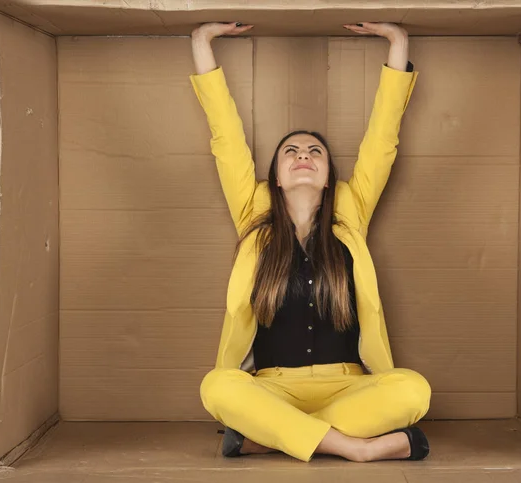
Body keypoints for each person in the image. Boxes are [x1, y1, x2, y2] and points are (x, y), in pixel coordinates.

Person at [189, 21, 431, 463]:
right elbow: (225, 137)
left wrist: (398, 44)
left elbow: (382, 141)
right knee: (216, 386)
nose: (303, 156)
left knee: (413, 389)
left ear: (328, 178)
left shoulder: (350, 213)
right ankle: (355, 449)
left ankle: (270, 438)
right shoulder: (253, 215)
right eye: (291, 152)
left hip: (348, 385)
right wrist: (200, 44)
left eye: (315, 152)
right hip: (272, 386)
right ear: (276, 178)